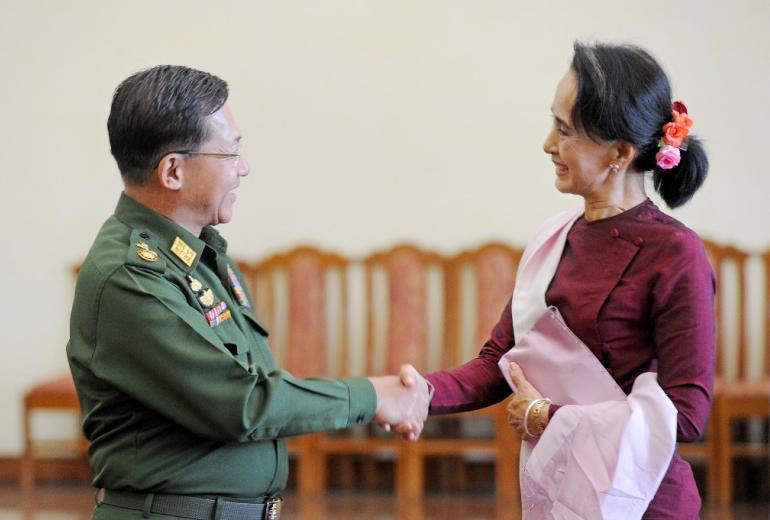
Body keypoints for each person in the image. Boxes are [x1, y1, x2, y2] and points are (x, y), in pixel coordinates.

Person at [66, 65, 430, 519]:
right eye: (230, 152)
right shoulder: (132, 275)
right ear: (173, 171)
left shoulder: (197, 254)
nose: (244, 168)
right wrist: (374, 396)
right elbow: (241, 402)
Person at [421, 42, 714, 519]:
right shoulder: (553, 238)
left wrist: (547, 418)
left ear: (619, 153)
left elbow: (685, 415)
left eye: (565, 130)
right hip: (558, 488)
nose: (547, 144)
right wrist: (418, 393)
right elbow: (499, 361)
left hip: (641, 501)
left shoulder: (676, 253)